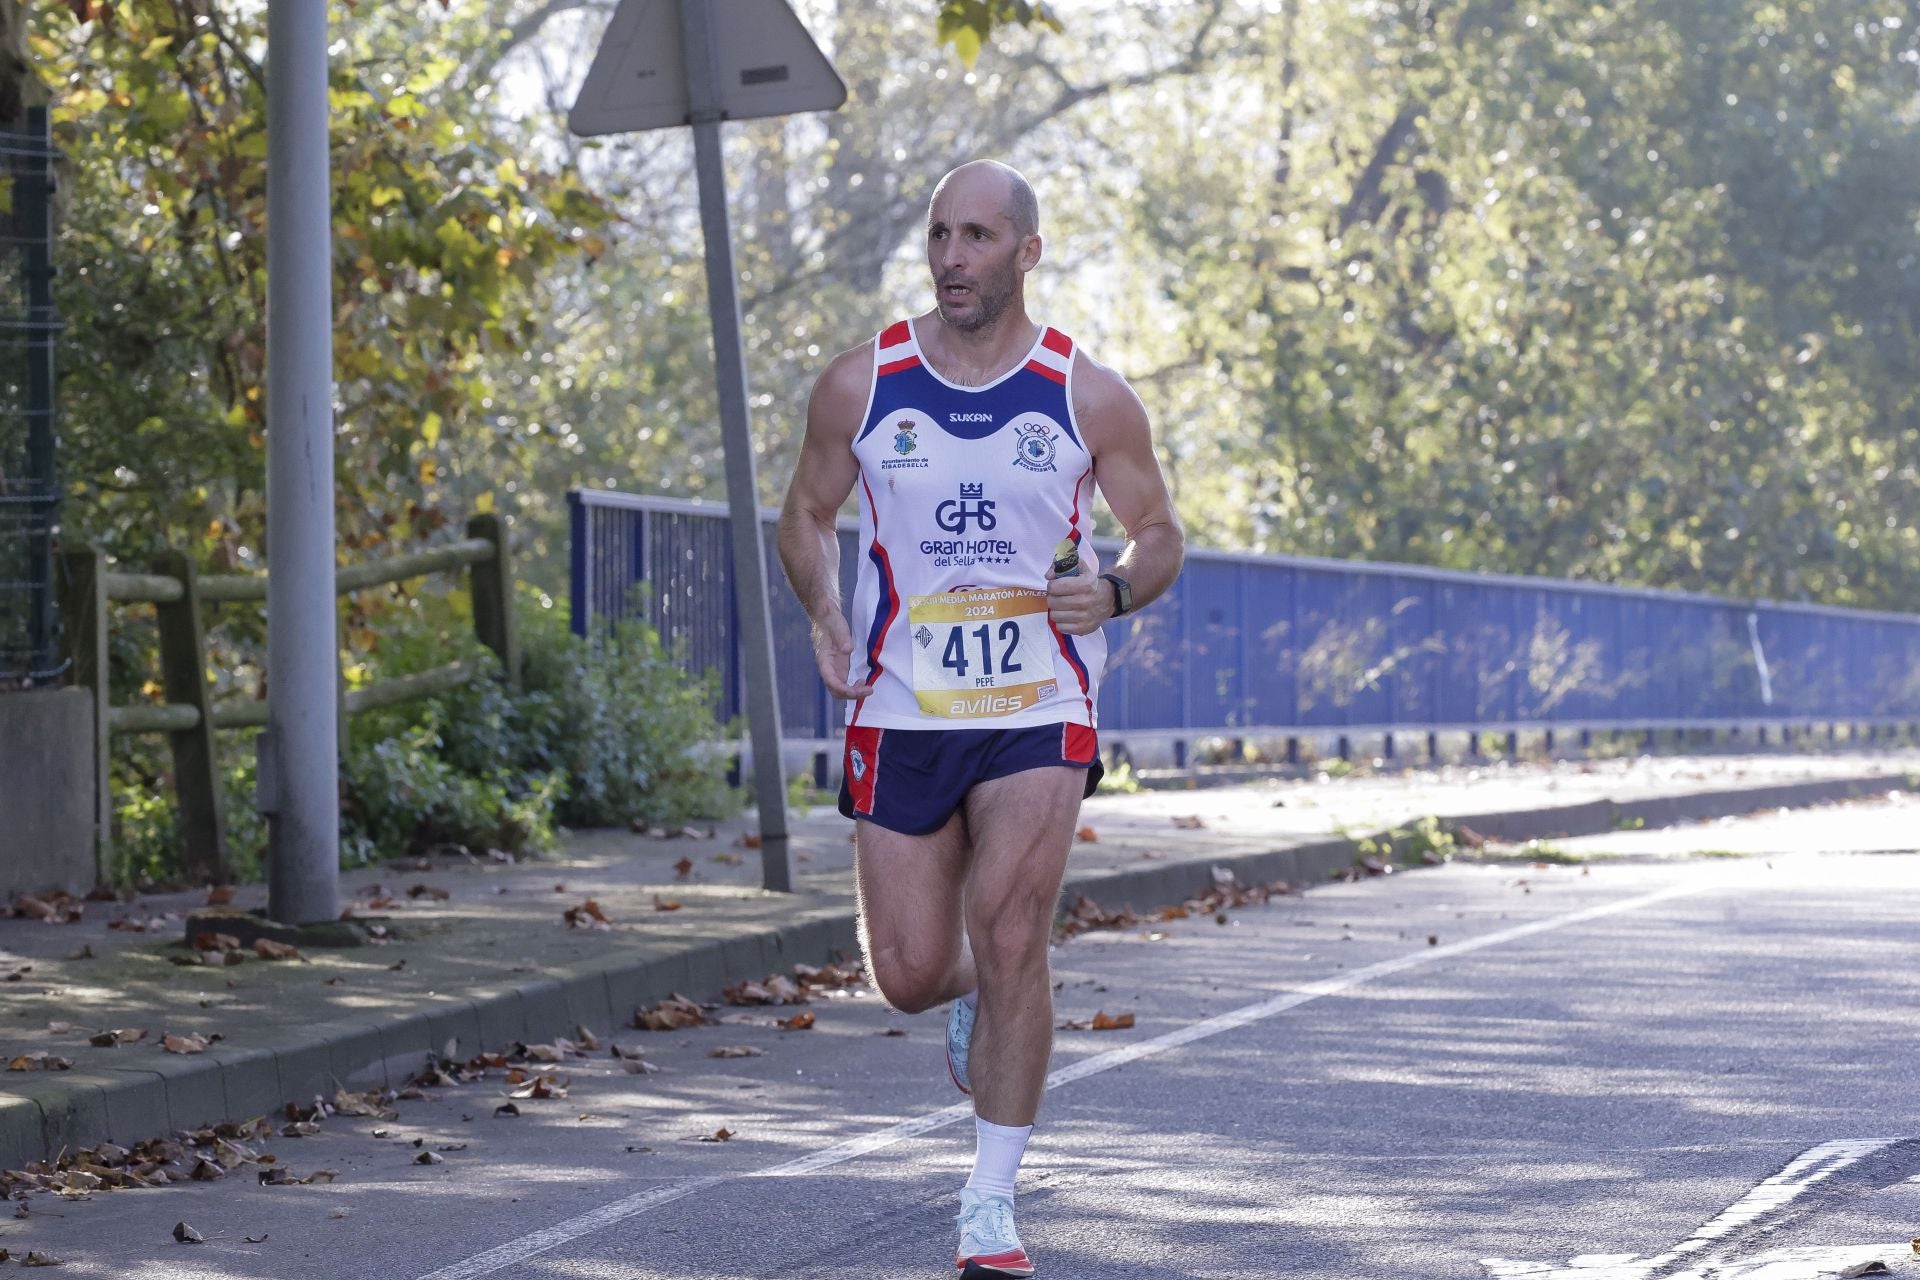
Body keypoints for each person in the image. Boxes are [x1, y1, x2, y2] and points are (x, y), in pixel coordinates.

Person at [776, 159, 1183, 1279]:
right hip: (903, 702)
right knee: (909, 971)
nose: (952, 257)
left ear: (1027, 253)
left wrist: (1112, 592)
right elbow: (805, 512)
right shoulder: (861, 385)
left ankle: (989, 1207)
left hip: (1039, 701)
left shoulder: (1086, 394)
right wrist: (824, 615)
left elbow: (1158, 533)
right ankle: (974, 993)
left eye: (977, 237)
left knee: (1012, 931)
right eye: (940, 235)